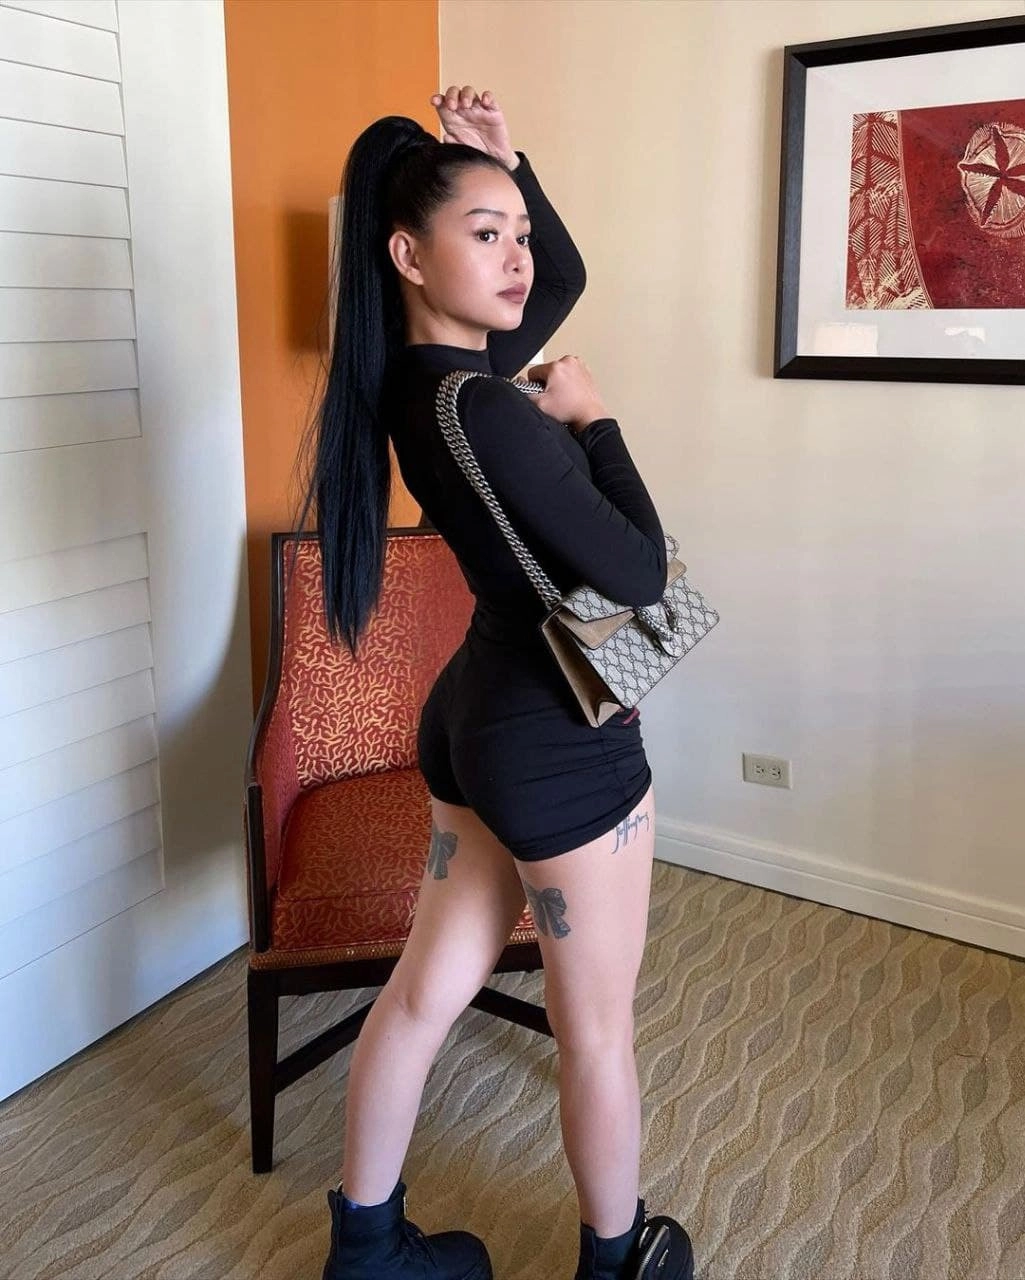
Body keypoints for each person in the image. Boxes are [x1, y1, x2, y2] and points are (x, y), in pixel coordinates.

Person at [299, 85, 695, 1280]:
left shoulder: (417, 384)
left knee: (422, 994)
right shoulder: (490, 407)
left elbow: (557, 281)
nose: (519, 257)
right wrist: (596, 418)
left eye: (515, 231)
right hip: (558, 743)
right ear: (407, 253)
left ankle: (368, 1251)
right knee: (596, 1032)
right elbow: (637, 568)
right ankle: (614, 1261)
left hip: (474, 721)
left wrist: (505, 168)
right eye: (487, 233)